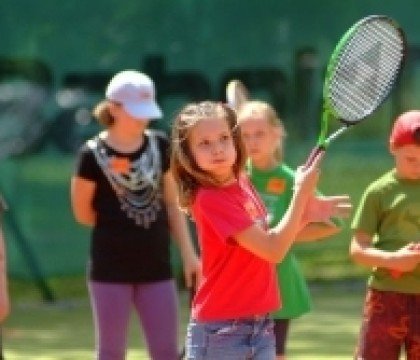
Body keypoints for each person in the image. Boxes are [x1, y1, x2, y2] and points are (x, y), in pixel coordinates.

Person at [170, 101, 351, 359]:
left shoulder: (242, 182)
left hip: (261, 323)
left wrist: (303, 215)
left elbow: (266, 240)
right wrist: (300, 195)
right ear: (187, 153)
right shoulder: (211, 198)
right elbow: (273, 250)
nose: (218, 149)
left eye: (223, 138)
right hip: (222, 331)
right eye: (204, 143)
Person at [70, 70, 200, 360]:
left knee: (167, 352)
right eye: (135, 111)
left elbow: (172, 204)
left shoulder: (161, 145)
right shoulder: (91, 155)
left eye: (146, 111)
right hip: (109, 269)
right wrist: (119, 229)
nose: (144, 118)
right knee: (111, 352)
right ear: (113, 108)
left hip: (157, 266)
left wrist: (190, 255)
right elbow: (83, 213)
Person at [237, 100, 344, 360]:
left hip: (279, 284)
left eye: (260, 134)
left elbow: (331, 225)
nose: (253, 142)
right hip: (239, 284)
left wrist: (280, 237)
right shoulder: (234, 179)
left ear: (277, 133)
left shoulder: (291, 180)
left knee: (274, 355)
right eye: (245, 135)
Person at [350, 110, 420, 360]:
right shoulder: (378, 192)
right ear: (393, 148)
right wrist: (394, 260)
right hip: (386, 298)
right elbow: (358, 249)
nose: (418, 166)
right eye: (410, 159)